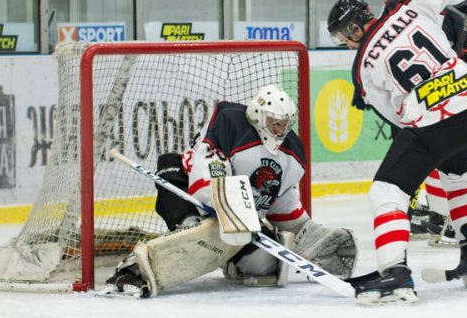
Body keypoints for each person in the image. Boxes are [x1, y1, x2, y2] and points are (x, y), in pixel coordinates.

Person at [327, 0, 467, 305]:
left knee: (387, 190)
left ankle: (395, 273)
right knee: (459, 173)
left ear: (355, 27)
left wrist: (425, 132)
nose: (346, 44)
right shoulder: (409, 4)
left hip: (435, 119)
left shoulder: (363, 65)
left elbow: (394, 116)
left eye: (344, 37)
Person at [104, 85, 357, 297]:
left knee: (266, 265)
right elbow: (204, 184)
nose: (280, 130)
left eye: (284, 124)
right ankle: (135, 268)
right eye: (274, 123)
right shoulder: (231, 125)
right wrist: (233, 213)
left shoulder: (291, 155)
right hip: (188, 192)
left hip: (242, 224)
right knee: (191, 216)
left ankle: (230, 259)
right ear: (258, 115)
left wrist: (307, 235)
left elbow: (283, 206)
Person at [406, 0, 467, 247]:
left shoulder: (454, 13)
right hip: (422, 94)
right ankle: (438, 216)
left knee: (448, 158)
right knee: (430, 156)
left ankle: (443, 216)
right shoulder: (414, 7)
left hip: (449, 94)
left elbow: (456, 51)